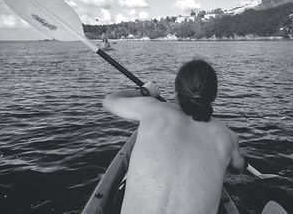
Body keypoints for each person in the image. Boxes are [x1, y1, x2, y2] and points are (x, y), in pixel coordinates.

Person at [103, 59, 246, 214]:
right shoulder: (228, 137)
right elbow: (238, 168)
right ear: (214, 95)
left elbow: (109, 101)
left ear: (176, 91)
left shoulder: (152, 109)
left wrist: (144, 92)